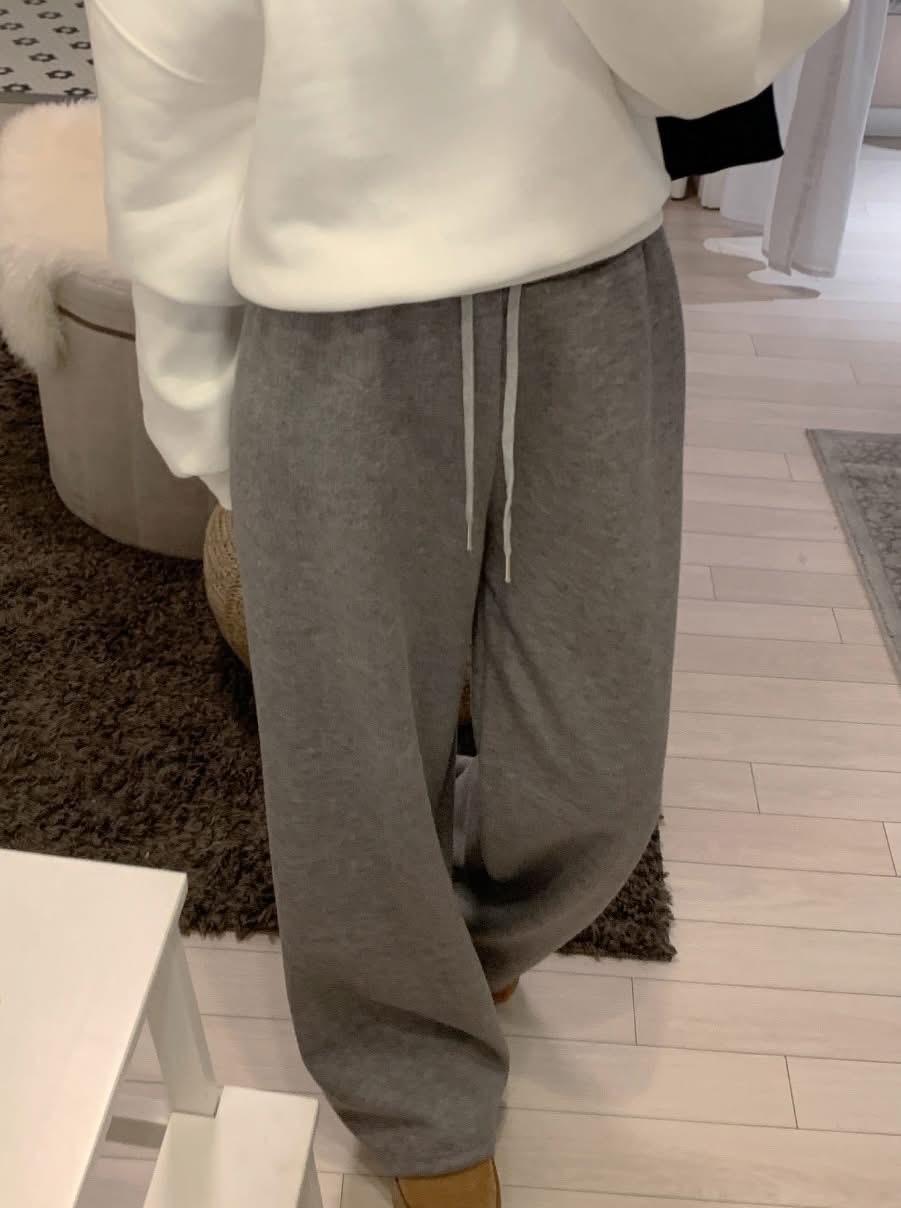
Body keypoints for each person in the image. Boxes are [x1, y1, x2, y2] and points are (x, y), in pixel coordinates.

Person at [88, 3, 848, 1205]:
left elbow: (698, 65)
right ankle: (410, 1084)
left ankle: (472, 937)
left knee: (594, 765)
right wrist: (191, 385)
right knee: (353, 758)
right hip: (326, 316)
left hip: (591, 288)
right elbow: (169, 62)